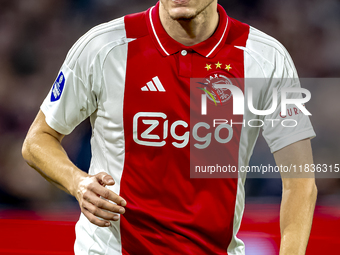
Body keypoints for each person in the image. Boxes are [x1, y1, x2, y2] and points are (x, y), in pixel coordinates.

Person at [22, 0, 317, 254]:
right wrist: (77, 182)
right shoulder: (102, 47)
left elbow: (301, 180)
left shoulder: (267, 59)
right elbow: (38, 140)